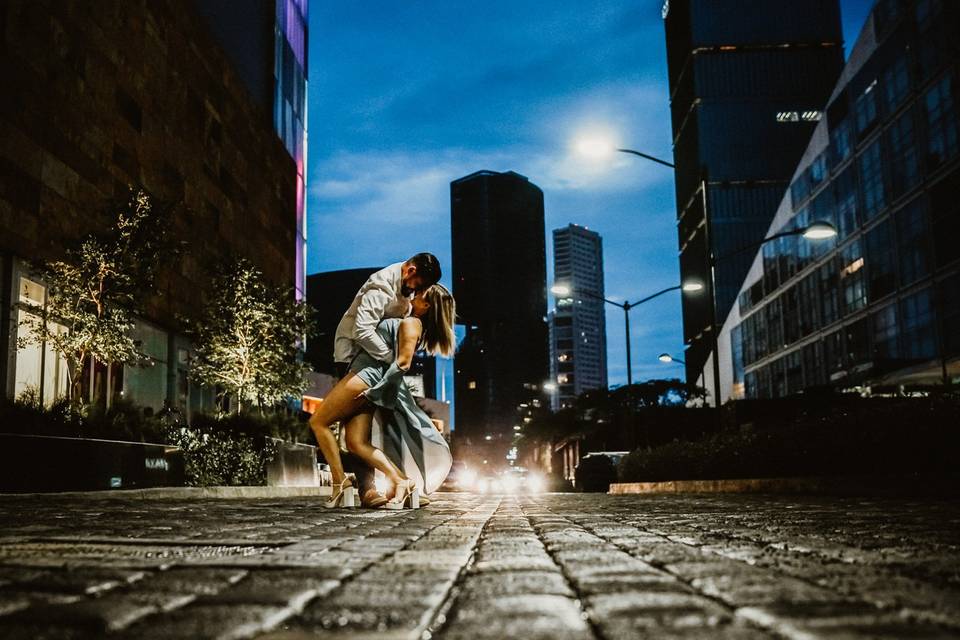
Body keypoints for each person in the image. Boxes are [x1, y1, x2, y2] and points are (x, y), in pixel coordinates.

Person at [309, 284, 456, 509]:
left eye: (420, 294)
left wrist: (375, 392)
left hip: (364, 377)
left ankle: (340, 484)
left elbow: (403, 363)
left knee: (318, 422)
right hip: (367, 378)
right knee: (356, 443)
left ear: (426, 305)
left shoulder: (411, 323)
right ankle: (402, 481)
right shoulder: (409, 320)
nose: (414, 294)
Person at [332, 253, 441, 507]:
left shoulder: (406, 288)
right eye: (420, 284)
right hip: (352, 358)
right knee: (360, 427)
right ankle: (367, 490)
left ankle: (400, 484)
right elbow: (362, 331)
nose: (418, 291)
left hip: (377, 361)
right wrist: (391, 358)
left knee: (391, 421)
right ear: (410, 270)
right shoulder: (380, 287)